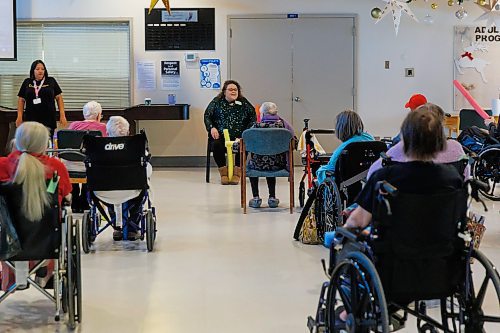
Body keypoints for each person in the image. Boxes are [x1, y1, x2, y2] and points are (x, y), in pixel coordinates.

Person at [337, 108, 464, 324]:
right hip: (441, 268)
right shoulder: (452, 178)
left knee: (346, 247)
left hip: (393, 269)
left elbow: (358, 220)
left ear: (405, 138)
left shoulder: (385, 177)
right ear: (440, 141)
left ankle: (347, 312)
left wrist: (342, 234)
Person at [0, 122, 72, 291]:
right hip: (46, 240)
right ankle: (45, 272)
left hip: (7, 240)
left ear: (16, 141)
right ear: (44, 143)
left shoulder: (2, 165)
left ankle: (10, 276)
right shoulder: (56, 167)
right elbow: (68, 197)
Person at [368, 103, 470, 179]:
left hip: (405, 204)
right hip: (447, 204)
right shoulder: (455, 147)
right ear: (441, 124)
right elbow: (465, 175)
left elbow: (372, 174)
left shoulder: (401, 148)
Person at [94, 116, 152, 241]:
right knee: (139, 193)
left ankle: (117, 227)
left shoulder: (98, 149)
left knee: (109, 196)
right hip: (132, 190)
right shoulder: (136, 147)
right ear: (127, 132)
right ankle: (132, 226)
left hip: (105, 191)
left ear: (107, 133)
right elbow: (147, 170)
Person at [204, 80, 256, 185]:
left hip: (240, 135)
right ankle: (223, 173)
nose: (233, 91)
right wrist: (212, 128)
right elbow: (207, 115)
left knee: (243, 144)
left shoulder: (244, 102)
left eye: (235, 89)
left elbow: (253, 117)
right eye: (230, 89)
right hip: (221, 135)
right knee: (216, 144)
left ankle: (237, 173)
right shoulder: (217, 102)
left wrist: (247, 132)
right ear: (224, 92)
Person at [247, 102, 295, 208]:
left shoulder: (256, 127)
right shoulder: (284, 126)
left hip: (258, 165)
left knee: (251, 163)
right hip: (278, 164)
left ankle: (256, 198)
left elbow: (246, 142)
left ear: (262, 114)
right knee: (271, 162)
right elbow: (293, 142)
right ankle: (272, 198)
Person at [65, 101, 107, 213]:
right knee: (92, 161)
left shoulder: (74, 125)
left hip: (72, 166)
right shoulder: (102, 128)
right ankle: (84, 196)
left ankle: (75, 196)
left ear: (84, 115)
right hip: (92, 166)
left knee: (76, 160)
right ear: (98, 115)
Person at [316, 110, 374, 185]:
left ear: (340, 129)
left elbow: (332, 166)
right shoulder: (369, 138)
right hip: (366, 178)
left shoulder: (346, 147)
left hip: (346, 181)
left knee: (321, 171)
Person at [16, 60, 67, 138]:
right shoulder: (27, 82)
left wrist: (62, 115)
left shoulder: (51, 81)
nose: (40, 71)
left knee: (47, 143)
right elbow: (21, 100)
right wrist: (19, 116)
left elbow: (59, 98)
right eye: (37, 69)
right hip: (31, 118)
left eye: (42, 69)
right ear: (33, 70)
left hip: (48, 118)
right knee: (33, 142)